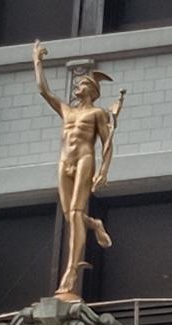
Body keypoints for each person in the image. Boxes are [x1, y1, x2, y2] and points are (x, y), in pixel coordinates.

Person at [33, 40, 125, 301]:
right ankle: (95, 224)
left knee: (74, 213)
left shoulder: (96, 113)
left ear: (92, 90)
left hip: (85, 159)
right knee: (69, 214)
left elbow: (107, 142)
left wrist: (104, 171)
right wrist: (38, 62)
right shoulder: (66, 110)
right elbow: (44, 90)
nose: (77, 86)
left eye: (82, 83)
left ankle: (71, 272)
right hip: (64, 162)